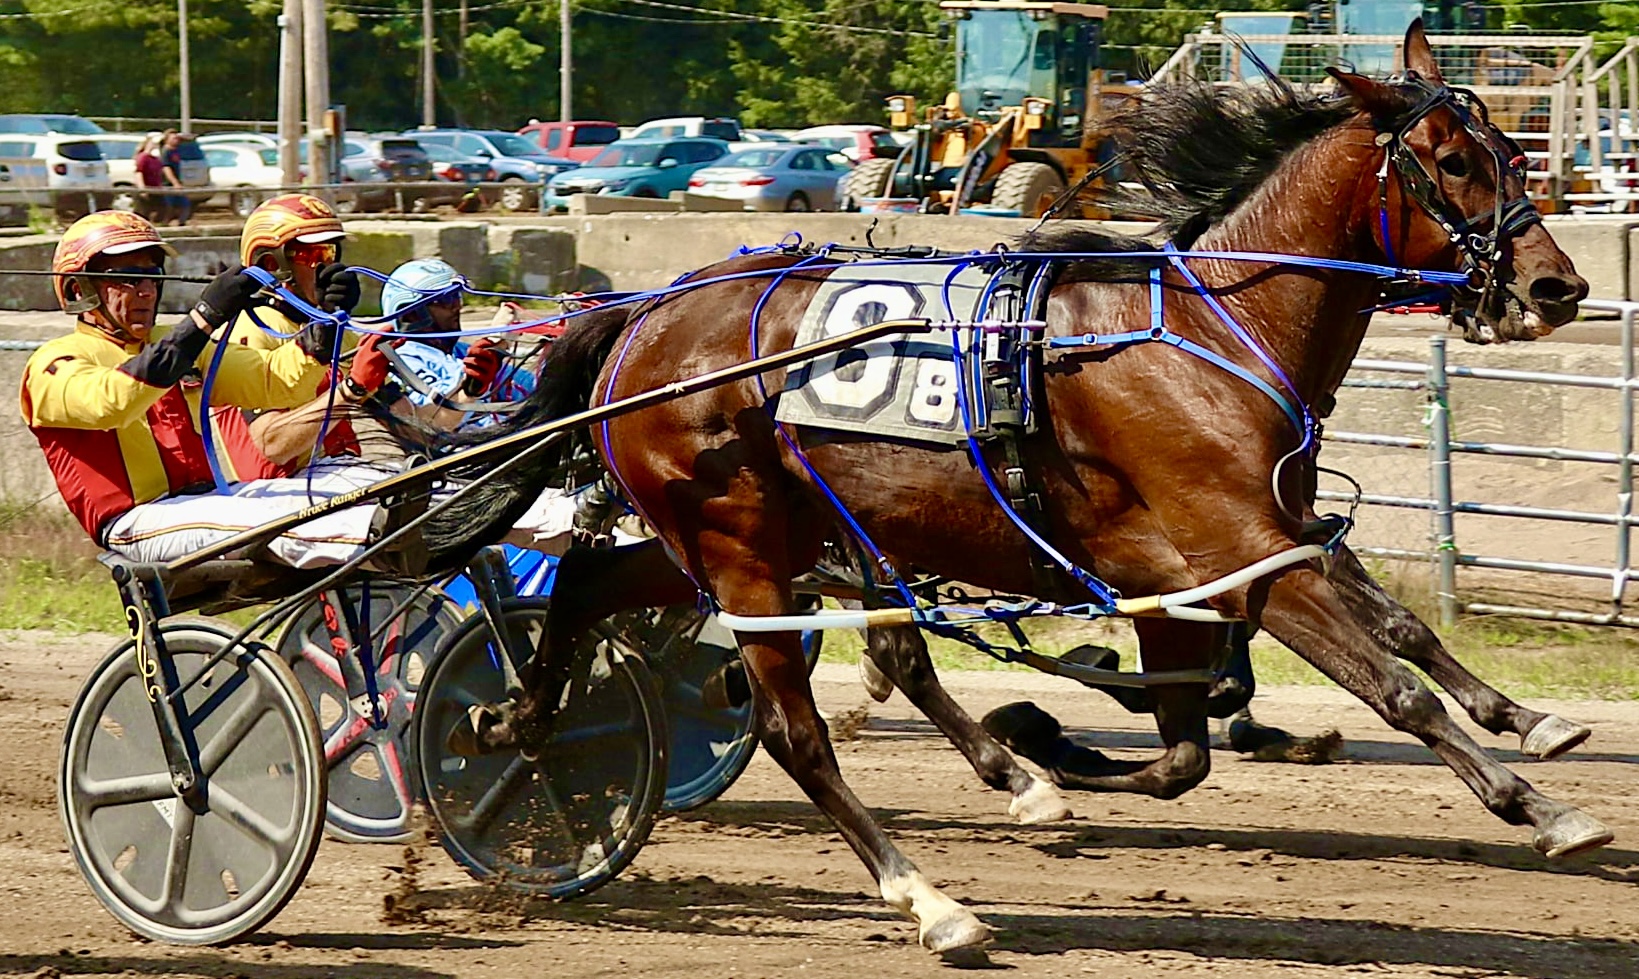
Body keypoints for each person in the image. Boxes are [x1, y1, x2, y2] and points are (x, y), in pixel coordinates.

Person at [19, 210, 397, 570]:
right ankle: (391, 539)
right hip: (136, 521)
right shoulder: (53, 362)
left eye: (153, 276)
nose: (147, 291)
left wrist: (322, 330)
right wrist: (205, 318)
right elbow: (112, 402)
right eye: (128, 278)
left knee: (349, 493)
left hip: (208, 502)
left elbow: (275, 383)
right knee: (278, 516)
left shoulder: (171, 341)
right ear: (78, 288)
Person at [159, 130, 191, 227]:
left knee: (185, 204)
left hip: (177, 182)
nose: (176, 140)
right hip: (168, 184)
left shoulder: (176, 151)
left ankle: (181, 223)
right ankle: (165, 224)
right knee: (169, 206)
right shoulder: (166, 151)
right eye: (173, 138)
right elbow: (166, 168)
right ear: (166, 140)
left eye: (177, 138)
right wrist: (175, 182)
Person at [133, 136, 165, 223]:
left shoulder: (156, 159)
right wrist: (142, 189)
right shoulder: (143, 157)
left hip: (156, 189)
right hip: (146, 188)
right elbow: (139, 172)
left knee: (160, 210)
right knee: (143, 213)